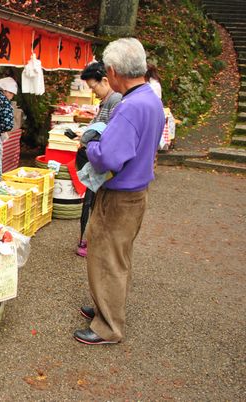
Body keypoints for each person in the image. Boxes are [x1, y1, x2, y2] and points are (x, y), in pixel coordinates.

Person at [73, 38, 165, 345]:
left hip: (120, 196)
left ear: (112, 71)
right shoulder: (150, 98)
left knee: (106, 257)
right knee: (116, 256)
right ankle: (104, 307)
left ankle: (108, 327)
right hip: (136, 192)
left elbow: (110, 157)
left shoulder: (130, 106)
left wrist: (92, 145)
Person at [75, 61, 122, 258]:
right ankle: (91, 239)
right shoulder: (106, 101)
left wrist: (88, 139)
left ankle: (95, 243)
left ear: (105, 80)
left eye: (93, 87)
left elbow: (109, 131)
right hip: (94, 154)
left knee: (98, 204)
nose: (93, 92)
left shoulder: (116, 100)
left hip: (101, 159)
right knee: (92, 202)